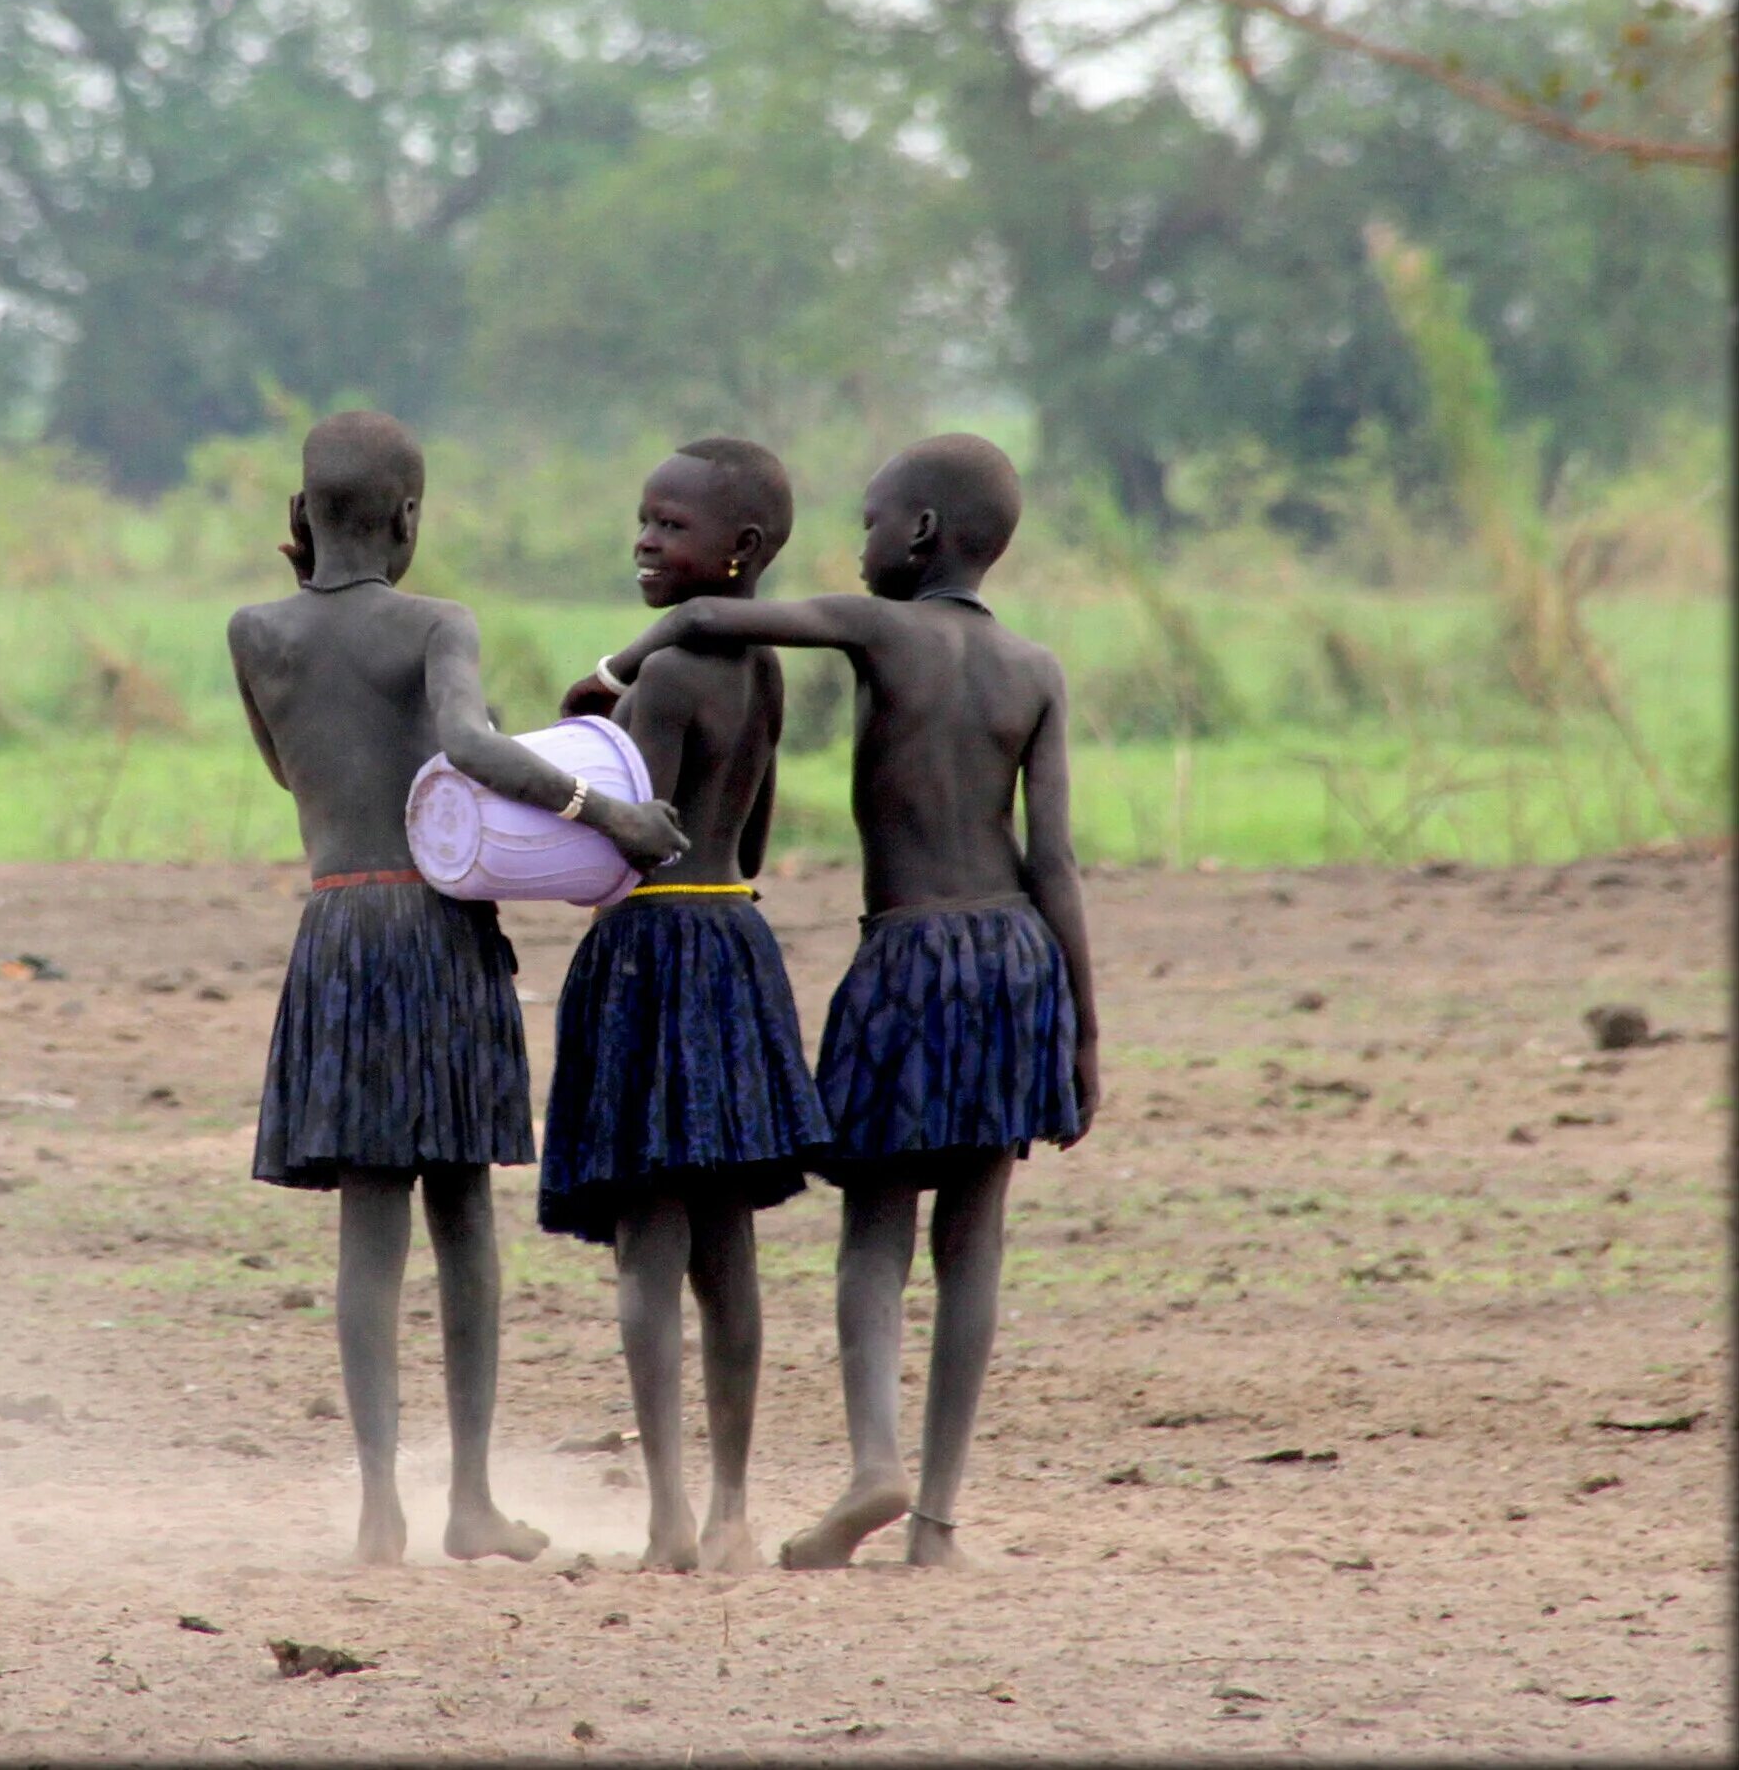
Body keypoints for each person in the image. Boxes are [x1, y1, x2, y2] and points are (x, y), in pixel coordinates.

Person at [573, 432, 1099, 1570]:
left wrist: (616, 670)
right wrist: (1085, 1029)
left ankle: (873, 1459)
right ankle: (939, 1521)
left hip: (908, 953)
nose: (856, 545)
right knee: (977, 1240)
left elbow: (712, 621)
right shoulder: (1039, 670)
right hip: (1017, 956)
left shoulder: (878, 628)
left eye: (868, 523)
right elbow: (1054, 859)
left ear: (915, 534)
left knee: (876, 1231)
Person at [228, 410, 687, 1566]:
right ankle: (470, 1498)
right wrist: (605, 811)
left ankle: (380, 1502)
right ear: (410, 520)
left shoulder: (256, 632)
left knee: (366, 1229)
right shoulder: (438, 622)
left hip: (336, 926)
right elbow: (469, 747)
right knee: (463, 1215)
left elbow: (289, 766)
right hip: (434, 927)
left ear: (302, 514)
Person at [539, 438, 830, 1574]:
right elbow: (747, 841)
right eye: (645, 522)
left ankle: (665, 1515)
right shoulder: (767, 674)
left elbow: (628, 848)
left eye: (670, 526)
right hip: (738, 941)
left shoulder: (660, 682)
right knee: (732, 1255)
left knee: (648, 1256)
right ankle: (733, 1509)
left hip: (652, 956)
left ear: (739, 552)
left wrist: (579, 743)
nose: (645, 542)